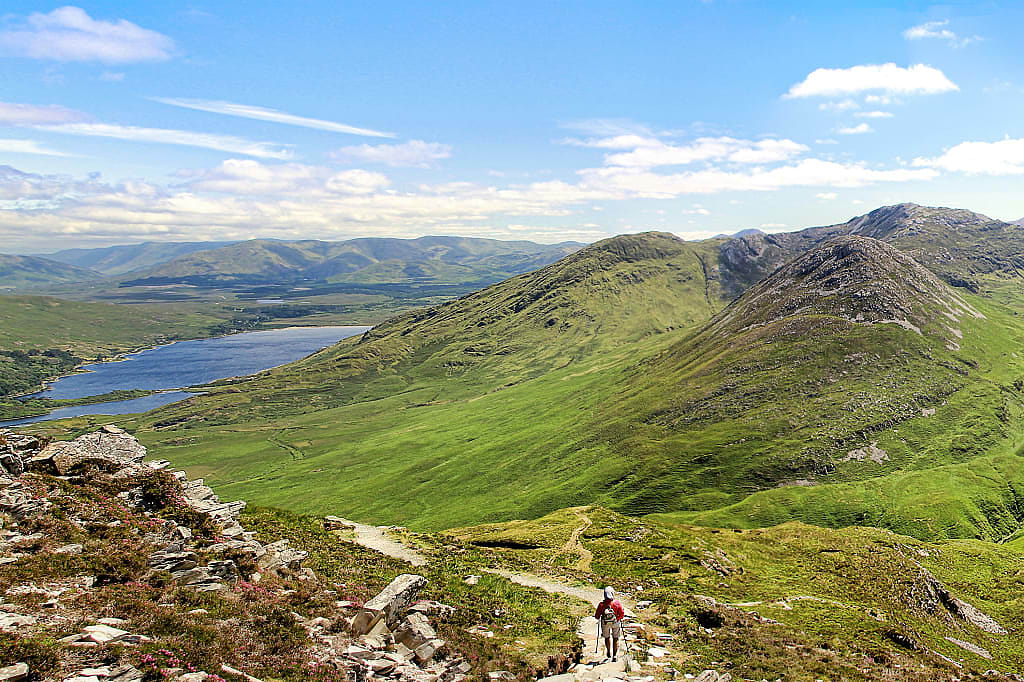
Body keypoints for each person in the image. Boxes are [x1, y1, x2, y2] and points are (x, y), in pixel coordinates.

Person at [594, 586, 625, 662]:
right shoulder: (616, 603)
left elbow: (597, 616)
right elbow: (622, 614)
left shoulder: (601, 604)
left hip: (605, 623)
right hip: (615, 622)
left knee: (607, 637)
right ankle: (614, 655)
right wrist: (618, 618)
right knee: (616, 638)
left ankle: (608, 652)